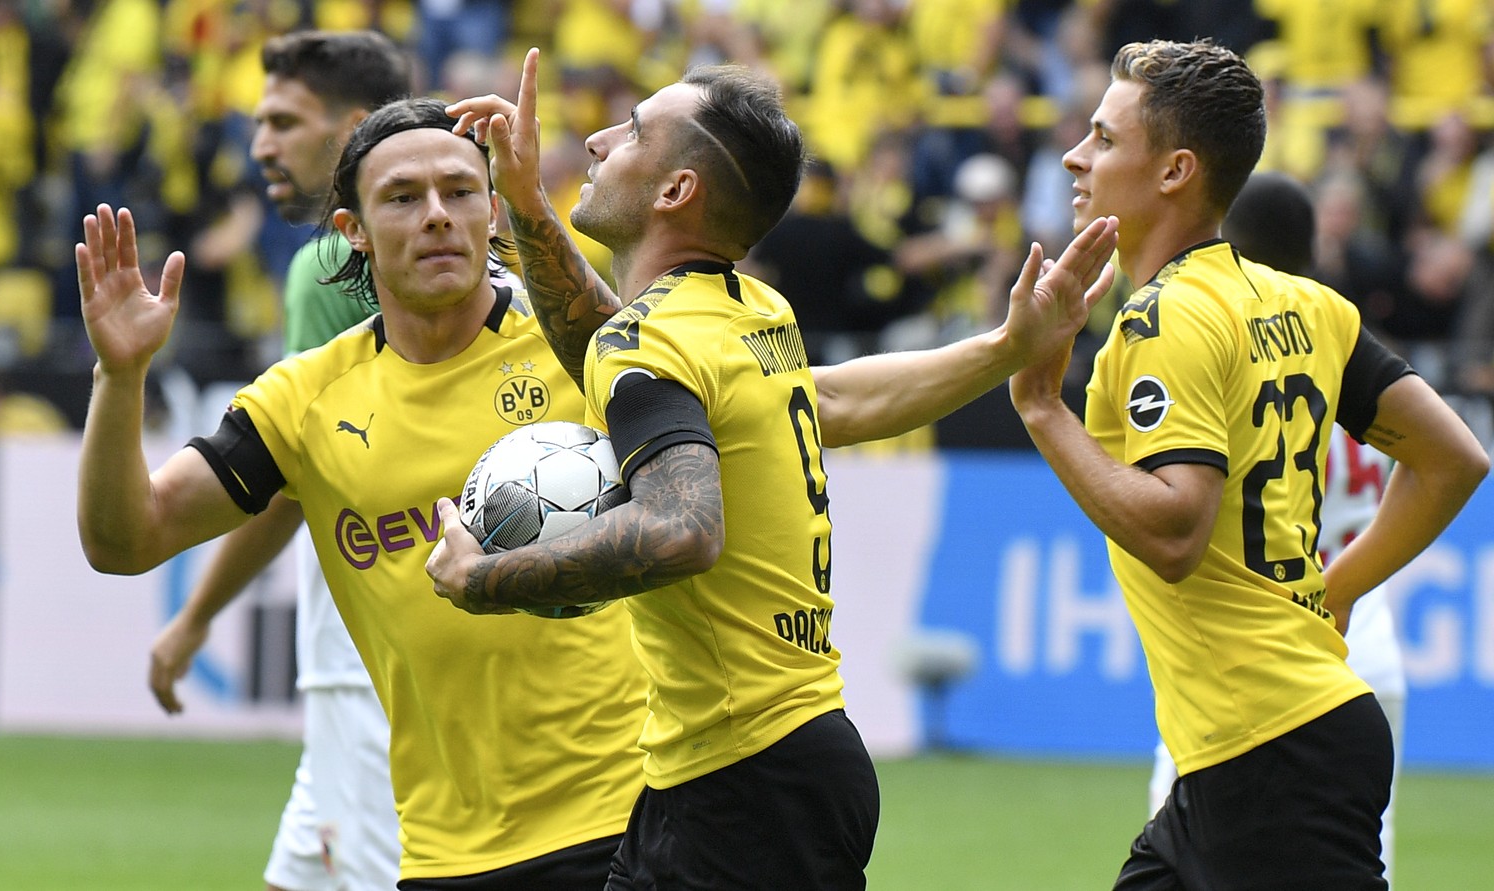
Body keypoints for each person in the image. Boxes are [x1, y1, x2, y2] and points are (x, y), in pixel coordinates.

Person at [429, 49, 1118, 888]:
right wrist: (1005, 348)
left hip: (741, 780)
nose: (602, 140)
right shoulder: (751, 311)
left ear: (676, 191)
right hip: (774, 758)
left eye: (634, 130)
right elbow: (838, 402)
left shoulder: (654, 341)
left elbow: (683, 529)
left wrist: (488, 577)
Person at [77, 98, 652, 888]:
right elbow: (125, 538)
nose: (438, 216)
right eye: (403, 197)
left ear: (494, 212)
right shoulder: (306, 398)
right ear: (352, 229)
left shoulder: (581, 346)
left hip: (634, 818)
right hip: (446, 849)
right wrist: (120, 375)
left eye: (461, 192)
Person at [1008, 40, 1488, 889]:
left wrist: (1043, 409)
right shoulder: (1306, 304)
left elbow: (1174, 530)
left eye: (1105, 139)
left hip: (1270, 750)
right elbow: (1453, 458)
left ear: (1175, 171)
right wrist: (1333, 592)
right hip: (1262, 743)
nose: (1076, 156)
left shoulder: (1163, 320)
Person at [144, 31, 410, 891]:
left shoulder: (337, 267)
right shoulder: (452, 252)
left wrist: (195, 617)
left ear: (355, 128)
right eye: (258, 122)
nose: (259, 143)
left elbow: (292, 484)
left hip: (370, 652)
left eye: (285, 122)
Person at [1144, 171, 1409, 884]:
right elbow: (1440, 455)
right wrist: (1346, 585)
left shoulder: (1231, 344)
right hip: (1366, 641)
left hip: (1258, 652)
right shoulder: (1344, 337)